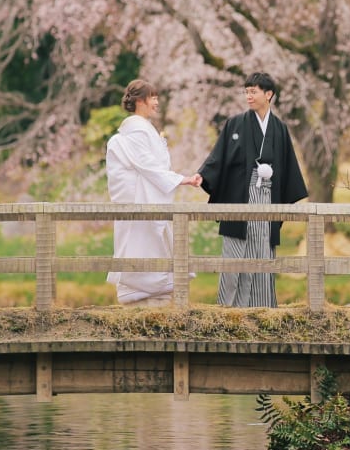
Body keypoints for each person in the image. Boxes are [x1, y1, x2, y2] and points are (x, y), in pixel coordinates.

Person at [199, 71, 308, 307]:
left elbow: (288, 166)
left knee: (262, 250)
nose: (248, 96)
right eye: (246, 91)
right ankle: (229, 307)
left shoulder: (279, 128)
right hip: (241, 194)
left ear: (269, 94)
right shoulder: (235, 123)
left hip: (268, 195)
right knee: (236, 250)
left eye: (254, 91)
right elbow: (219, 157)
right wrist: (203, 176)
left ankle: (262, 307)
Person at [106, 79, 201, 306]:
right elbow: (148, 166)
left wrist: (176, 179)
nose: (157, 102)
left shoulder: (142, 129)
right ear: (140, 101)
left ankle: (148, 285)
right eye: (153, 97)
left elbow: (153, 167)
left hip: (146, 193)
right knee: (141, 239)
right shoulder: (137, 132)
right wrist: (182, 179)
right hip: (139, 196)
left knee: (149, 241)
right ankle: (139, 285)